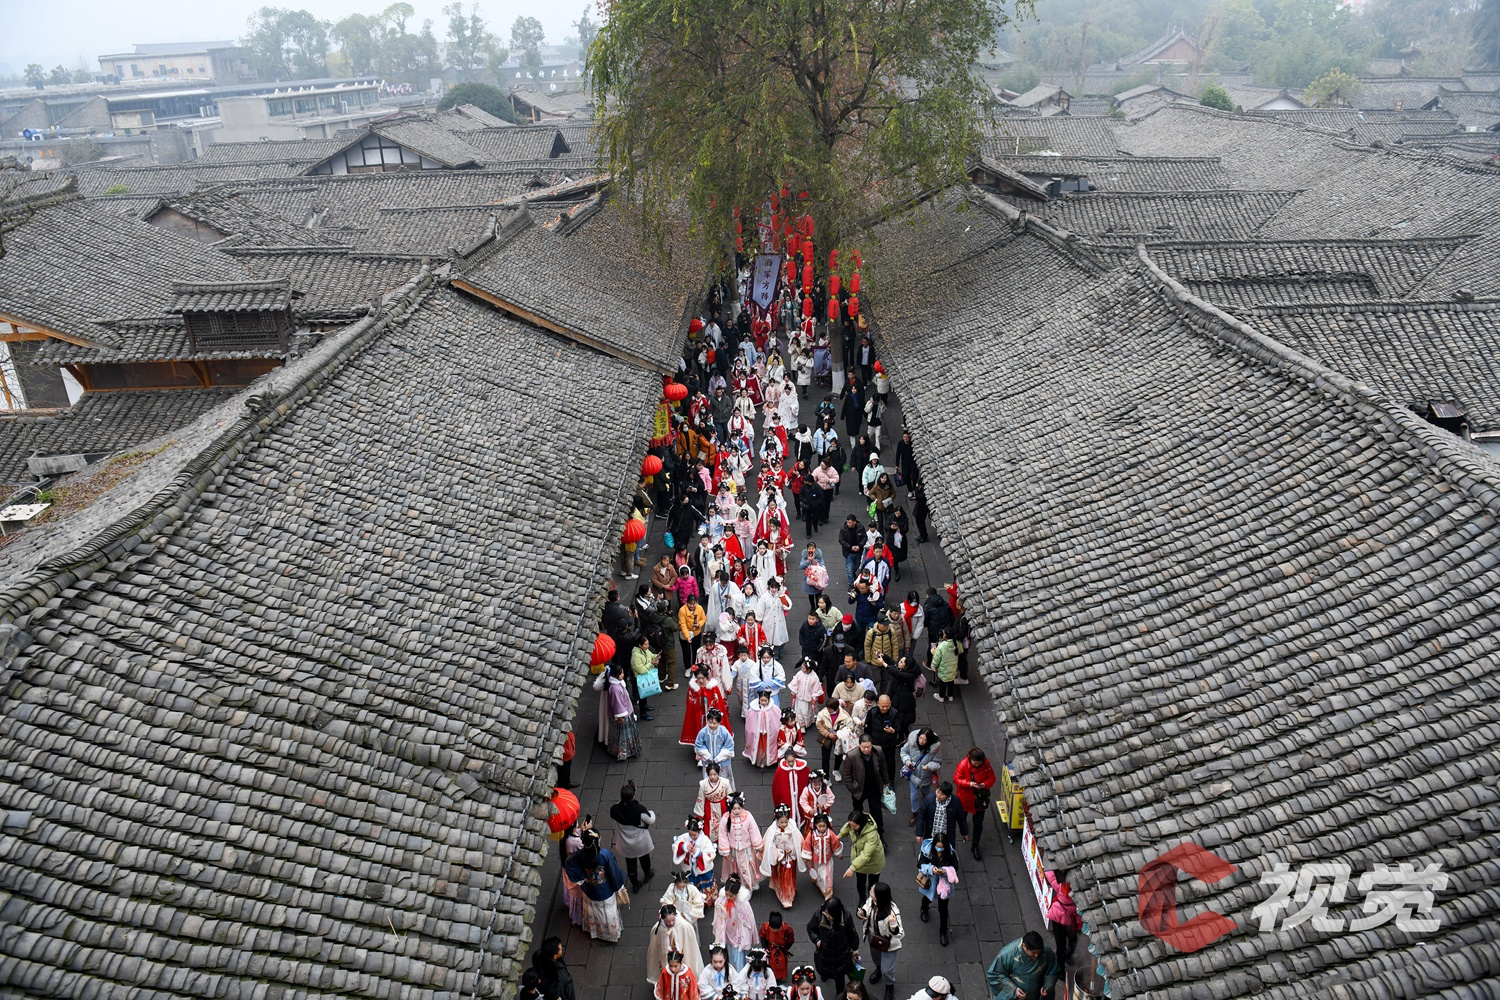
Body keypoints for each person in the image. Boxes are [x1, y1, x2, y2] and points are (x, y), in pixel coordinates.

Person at [562, 829, 628, 942]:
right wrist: (618, 886)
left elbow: (569, 864)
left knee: (594, 912)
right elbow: (614, 872)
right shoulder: (604, 855)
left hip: (589, 889)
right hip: (605, 889)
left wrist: (583, 877)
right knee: (607, 913)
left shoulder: (579, 855)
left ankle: (596, 931)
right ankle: (610, 934)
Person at [855, 881, 903, 998]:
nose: (870, 892)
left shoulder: (892, 911)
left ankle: (889, 985)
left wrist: (892, 924)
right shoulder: (871, 901)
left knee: (887, 969)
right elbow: (866, 908)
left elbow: (899, 933)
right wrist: (861, 913)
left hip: (888, 943)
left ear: (879, 896)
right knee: (876, 958)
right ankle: (878, 969)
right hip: (873, 937)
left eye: (872, 891)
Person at [807, 897, 860, 998]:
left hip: (841, 953)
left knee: (840, 978)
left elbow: (852, 933)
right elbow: (811, 928)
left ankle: (839, 996)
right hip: (824, 951)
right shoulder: (819, 915)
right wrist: (817, 940)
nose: (827, 916)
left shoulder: (846, 917)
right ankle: (825, 975)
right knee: (824, 969)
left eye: (829, 914)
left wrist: (855, 948)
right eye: (825, 913)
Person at [610, 780, 658, 892]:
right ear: (633, 796)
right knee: (644, 858)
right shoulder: (639, 810)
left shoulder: (615, 809)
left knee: (630, 862)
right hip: (640, 840)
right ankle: (647, 874)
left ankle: (635, 884)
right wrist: (651, 812)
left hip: (625, 842)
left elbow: (619, 805)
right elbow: (650, 819)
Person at [953, 748, 998, 860]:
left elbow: (992, 779)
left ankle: (975, 846)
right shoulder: (963, 765)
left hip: (979, 800)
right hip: (965, 798)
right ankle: (964, 831)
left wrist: (984, 784)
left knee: (978, 824)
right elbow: (956, 779)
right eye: (975, 762)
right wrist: (969, 784)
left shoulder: (986, 765)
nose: (977, 764)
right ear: (970, 759)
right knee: (962, 817)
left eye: (979, 763)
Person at [985, 932, 1060, 1000]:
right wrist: (1013, 990)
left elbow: (1053, 971)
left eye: (1039, 952)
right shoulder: (1008, 954)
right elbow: (994, 974)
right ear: (1024, 946)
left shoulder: (1046, 952)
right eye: (1034, 952)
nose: (1037, 955)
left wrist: (1048, 985)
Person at [916, 833, 960, 947]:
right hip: (930, 882)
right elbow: (920, 865)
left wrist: (946, 871)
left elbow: (955, 866)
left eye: (941, 847)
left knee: (943, 909)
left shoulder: (950, 853)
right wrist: (931, 869)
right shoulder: (927, 851)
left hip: (944, 885)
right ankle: (924, 909)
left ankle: (943, 932)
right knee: (927, 899)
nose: (939, 849)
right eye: (937, 846)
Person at [593, 662, 642, 761]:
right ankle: (623, 751)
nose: (623, 675)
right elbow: (617, 704)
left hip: (626, 711)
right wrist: (620, 716)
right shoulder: (615, 689)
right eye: (621, 674)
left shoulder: (614, 685)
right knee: (623, 734)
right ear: (615, 675)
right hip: (624, 714)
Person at [841, 736, 890, 835]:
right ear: (859, 745)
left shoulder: (878, 751)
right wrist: (852, 788)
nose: (866, 749)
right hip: (859, 789)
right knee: (858, 811)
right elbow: (846, 774)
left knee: (877, 812)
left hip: (874, 788)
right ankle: (858, 830)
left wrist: (886, 782)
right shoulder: (851, 756)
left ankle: (879, 834)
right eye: (864, 747)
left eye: (869, 747)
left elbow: (883, 767)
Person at [718, 792, 765, 889]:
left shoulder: (747, 816)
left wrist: (758, 845)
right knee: (734, 867)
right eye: (734, 809)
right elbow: (723, 834)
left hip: (746, 849)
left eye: (739, 808)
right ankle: (735, 886)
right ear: (730, 807)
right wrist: (725, 850)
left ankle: (747, 885)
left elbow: (753, 830)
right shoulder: (726, 818)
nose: (736, 811)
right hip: (732, 850)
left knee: (747, 866)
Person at [760, 805, 804, 907]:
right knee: (780, 874)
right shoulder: (772, 830)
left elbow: (799, 841)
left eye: (785, 822)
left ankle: (788, 895)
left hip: (790, 856)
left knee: (788, 876)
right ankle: (784, 893)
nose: (784, 824)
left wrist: (793, 850)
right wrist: (779, 852)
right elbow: (768, 844)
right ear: (776, 820)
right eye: (781, 822)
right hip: (779, 856)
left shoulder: (793, 828)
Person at [649, 904, 706, 983]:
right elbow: (656, 946)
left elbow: (690, 945)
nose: (671, 923)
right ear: (663, 919)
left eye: (673, 920)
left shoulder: (684, 925)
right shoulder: (659, 928)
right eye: (668, 921)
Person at [839, 810, 886, 901]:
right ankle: (862, 899)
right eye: (851, 825)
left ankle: (870, 900)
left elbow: (866, 855)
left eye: (854, 826)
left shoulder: (872, 835)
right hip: (859, 861)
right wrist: (840, 835)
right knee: (860, 882)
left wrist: (852, 868)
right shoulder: (852, 826)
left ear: (861, 824)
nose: (852, 828)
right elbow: (847, 827)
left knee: (873, 883)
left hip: (874, 862)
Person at [714, 873, 758, 967]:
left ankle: (739, 971)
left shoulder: (743, 903)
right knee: (729, 948)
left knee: (737, 951)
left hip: (738, 930)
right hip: (727, 928)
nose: (728, 897)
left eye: (731, 896)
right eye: (726, 894)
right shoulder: (721, 900)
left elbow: (747, 920)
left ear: (737, 894)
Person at [684, 665, 734, 746]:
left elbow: (718, 702)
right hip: (698, 714)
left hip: (711, 714)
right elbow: (690, 703)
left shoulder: (713, 687)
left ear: (706, 677)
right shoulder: (693, 688)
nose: (700, 680)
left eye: (702, 678)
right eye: (698, 678)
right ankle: (700, 748)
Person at [900, 728, 942, 821]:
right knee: (914, 796)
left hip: (926, 777)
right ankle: (915, 812)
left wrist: (929, 766)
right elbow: (903, 751)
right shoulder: (911, 744)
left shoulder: (935, 750)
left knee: (926, 792)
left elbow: (938, 762)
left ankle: (925, 802)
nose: (921, 741)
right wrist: (907, 761)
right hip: (913, 775)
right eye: (920, 738)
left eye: (925, 739)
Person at [673, 818, 719, 901]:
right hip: (689, 869)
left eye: (694, 835)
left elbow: (711, 854)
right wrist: (684, 847)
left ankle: (706, 900)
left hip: (702, 870)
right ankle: (692, 899)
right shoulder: (684, 837)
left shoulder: (705, 840)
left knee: (705, 884)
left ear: (699, 832)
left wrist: (698, 853)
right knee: (691, 884)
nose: (692, 837)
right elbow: (676, 845)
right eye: (690, 835)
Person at [800, 811, 841, 901]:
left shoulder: (830, 834)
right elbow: (807, 845)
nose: (822, 828)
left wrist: (838, 852)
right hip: (816, 859)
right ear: (815, 825)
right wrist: (807, 857)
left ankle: (827, 891)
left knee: (827, 875)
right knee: (818, 873)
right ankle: (817, 881)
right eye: (820, 826)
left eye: (824, 826)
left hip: (827, 859)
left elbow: (835, 843)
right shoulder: (812, 835)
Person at [1045, 869, 1083, 967]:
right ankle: (1068, 956)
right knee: (1072, 940)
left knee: (1060, 945)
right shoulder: (1081, 893)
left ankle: (1060, 968)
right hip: (1073, 920)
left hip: (1058, 918)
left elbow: (1049, 872)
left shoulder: (1060, 885)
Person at [695, 760, 736, 842]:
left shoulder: (725, 782)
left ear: (718, 773)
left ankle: (724, 841)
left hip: (723, 806)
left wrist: (732, 807)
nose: (713, 777)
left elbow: (730, 795)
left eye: (715, 774)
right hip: (709, 807)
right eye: (710, 775)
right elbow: (701, 798)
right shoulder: (703, 784)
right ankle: (712, 842)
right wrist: (700, 813)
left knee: (723, 823)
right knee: (710, 824)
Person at [744, 684, 783, 767]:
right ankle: (760, 760)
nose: (763, 702)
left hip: (768, 732)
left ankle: (767, 760)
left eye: (765, 701)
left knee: (768, 746)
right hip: (759, 731)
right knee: (759, 747)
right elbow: (750, 721)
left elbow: (777, 720)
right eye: (762, 700)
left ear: (768, 700)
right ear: (759, 700)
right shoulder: (754, 709)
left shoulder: (773, 709)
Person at [696, 709, 738, 784]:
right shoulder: (703, 732)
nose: (712, 725)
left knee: (723, 780)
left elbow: (729, 745)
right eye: (710, 722)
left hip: (722, 762)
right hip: (708, 761)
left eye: (714, 723)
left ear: (719, 722)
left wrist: (718, 758)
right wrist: (708, 756)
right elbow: (699, 745)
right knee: (708, 779)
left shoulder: (724, 732)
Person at [866, 695, 902, 780]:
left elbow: (899, 727)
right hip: (875, 743)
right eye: (883, 706)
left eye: (887, 706)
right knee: (874, 762)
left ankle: (891, 780)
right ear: (878, 704)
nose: (885, 708)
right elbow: (867, 728)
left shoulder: (894, 713)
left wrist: (893, 731)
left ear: (890, 704)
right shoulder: (872, 712)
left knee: (890, 763)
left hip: (889, 744)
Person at [759, 909, 798, 981]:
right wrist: (764, 947)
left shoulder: (786, 928)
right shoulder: (765, 927)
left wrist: (786, 947)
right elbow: (762, 937)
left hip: (780, 949)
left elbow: (791, 938)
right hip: (770, 948)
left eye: (777, 929)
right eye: (773, 929)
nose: (775, 931)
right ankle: (771, 976)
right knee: (770, 963)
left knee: (781, 964)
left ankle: (780, 977)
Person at [789, 656, 826, 730]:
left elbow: (816, 688)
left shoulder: (814, 677)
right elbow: (795, 682)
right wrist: (794, 691)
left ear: (809, 669)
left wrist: (814, 697)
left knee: (806, 711)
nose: (801, 669)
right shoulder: (799, 674)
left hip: (808, 697)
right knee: (799, 711)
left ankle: (805, 724)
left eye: (803, 668)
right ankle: (801, 724)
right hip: (799, 696)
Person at [681, 593, 709, 677]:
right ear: (687, 603)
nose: (692, 606)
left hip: (696, 633)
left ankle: (694, 665)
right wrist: (687, 636)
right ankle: (687, 668)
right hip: (685, 634)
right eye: (690, 604)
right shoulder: (682, 610)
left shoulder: (700, 608)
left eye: (694, 604)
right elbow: (683, 624)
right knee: (686, 653)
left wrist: (699, 624)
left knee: (696, 651)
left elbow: (703, 618)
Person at [929, 629, 959, 703]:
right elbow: (960, 650)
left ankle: (941, 696)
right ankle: (950, 695)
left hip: (944, 668)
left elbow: (936, 658)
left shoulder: (942, 645)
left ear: (945, 636)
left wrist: (933, 666)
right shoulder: (956, 643)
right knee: (951, 681)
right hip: (953, 667)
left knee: (943, 682)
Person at [839, 515, 864, 584]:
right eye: (847, 522)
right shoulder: (844, 529)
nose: (848, 524)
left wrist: (859, 546)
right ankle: (851, 584)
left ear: (854, 522)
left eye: (850, 522)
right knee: (849, 569)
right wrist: (850, 547)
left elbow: (864, 537)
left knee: (857, 565)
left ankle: (852, 573)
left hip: (858, 552)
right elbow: (841, 540)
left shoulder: (860, 528)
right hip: (848, 552)